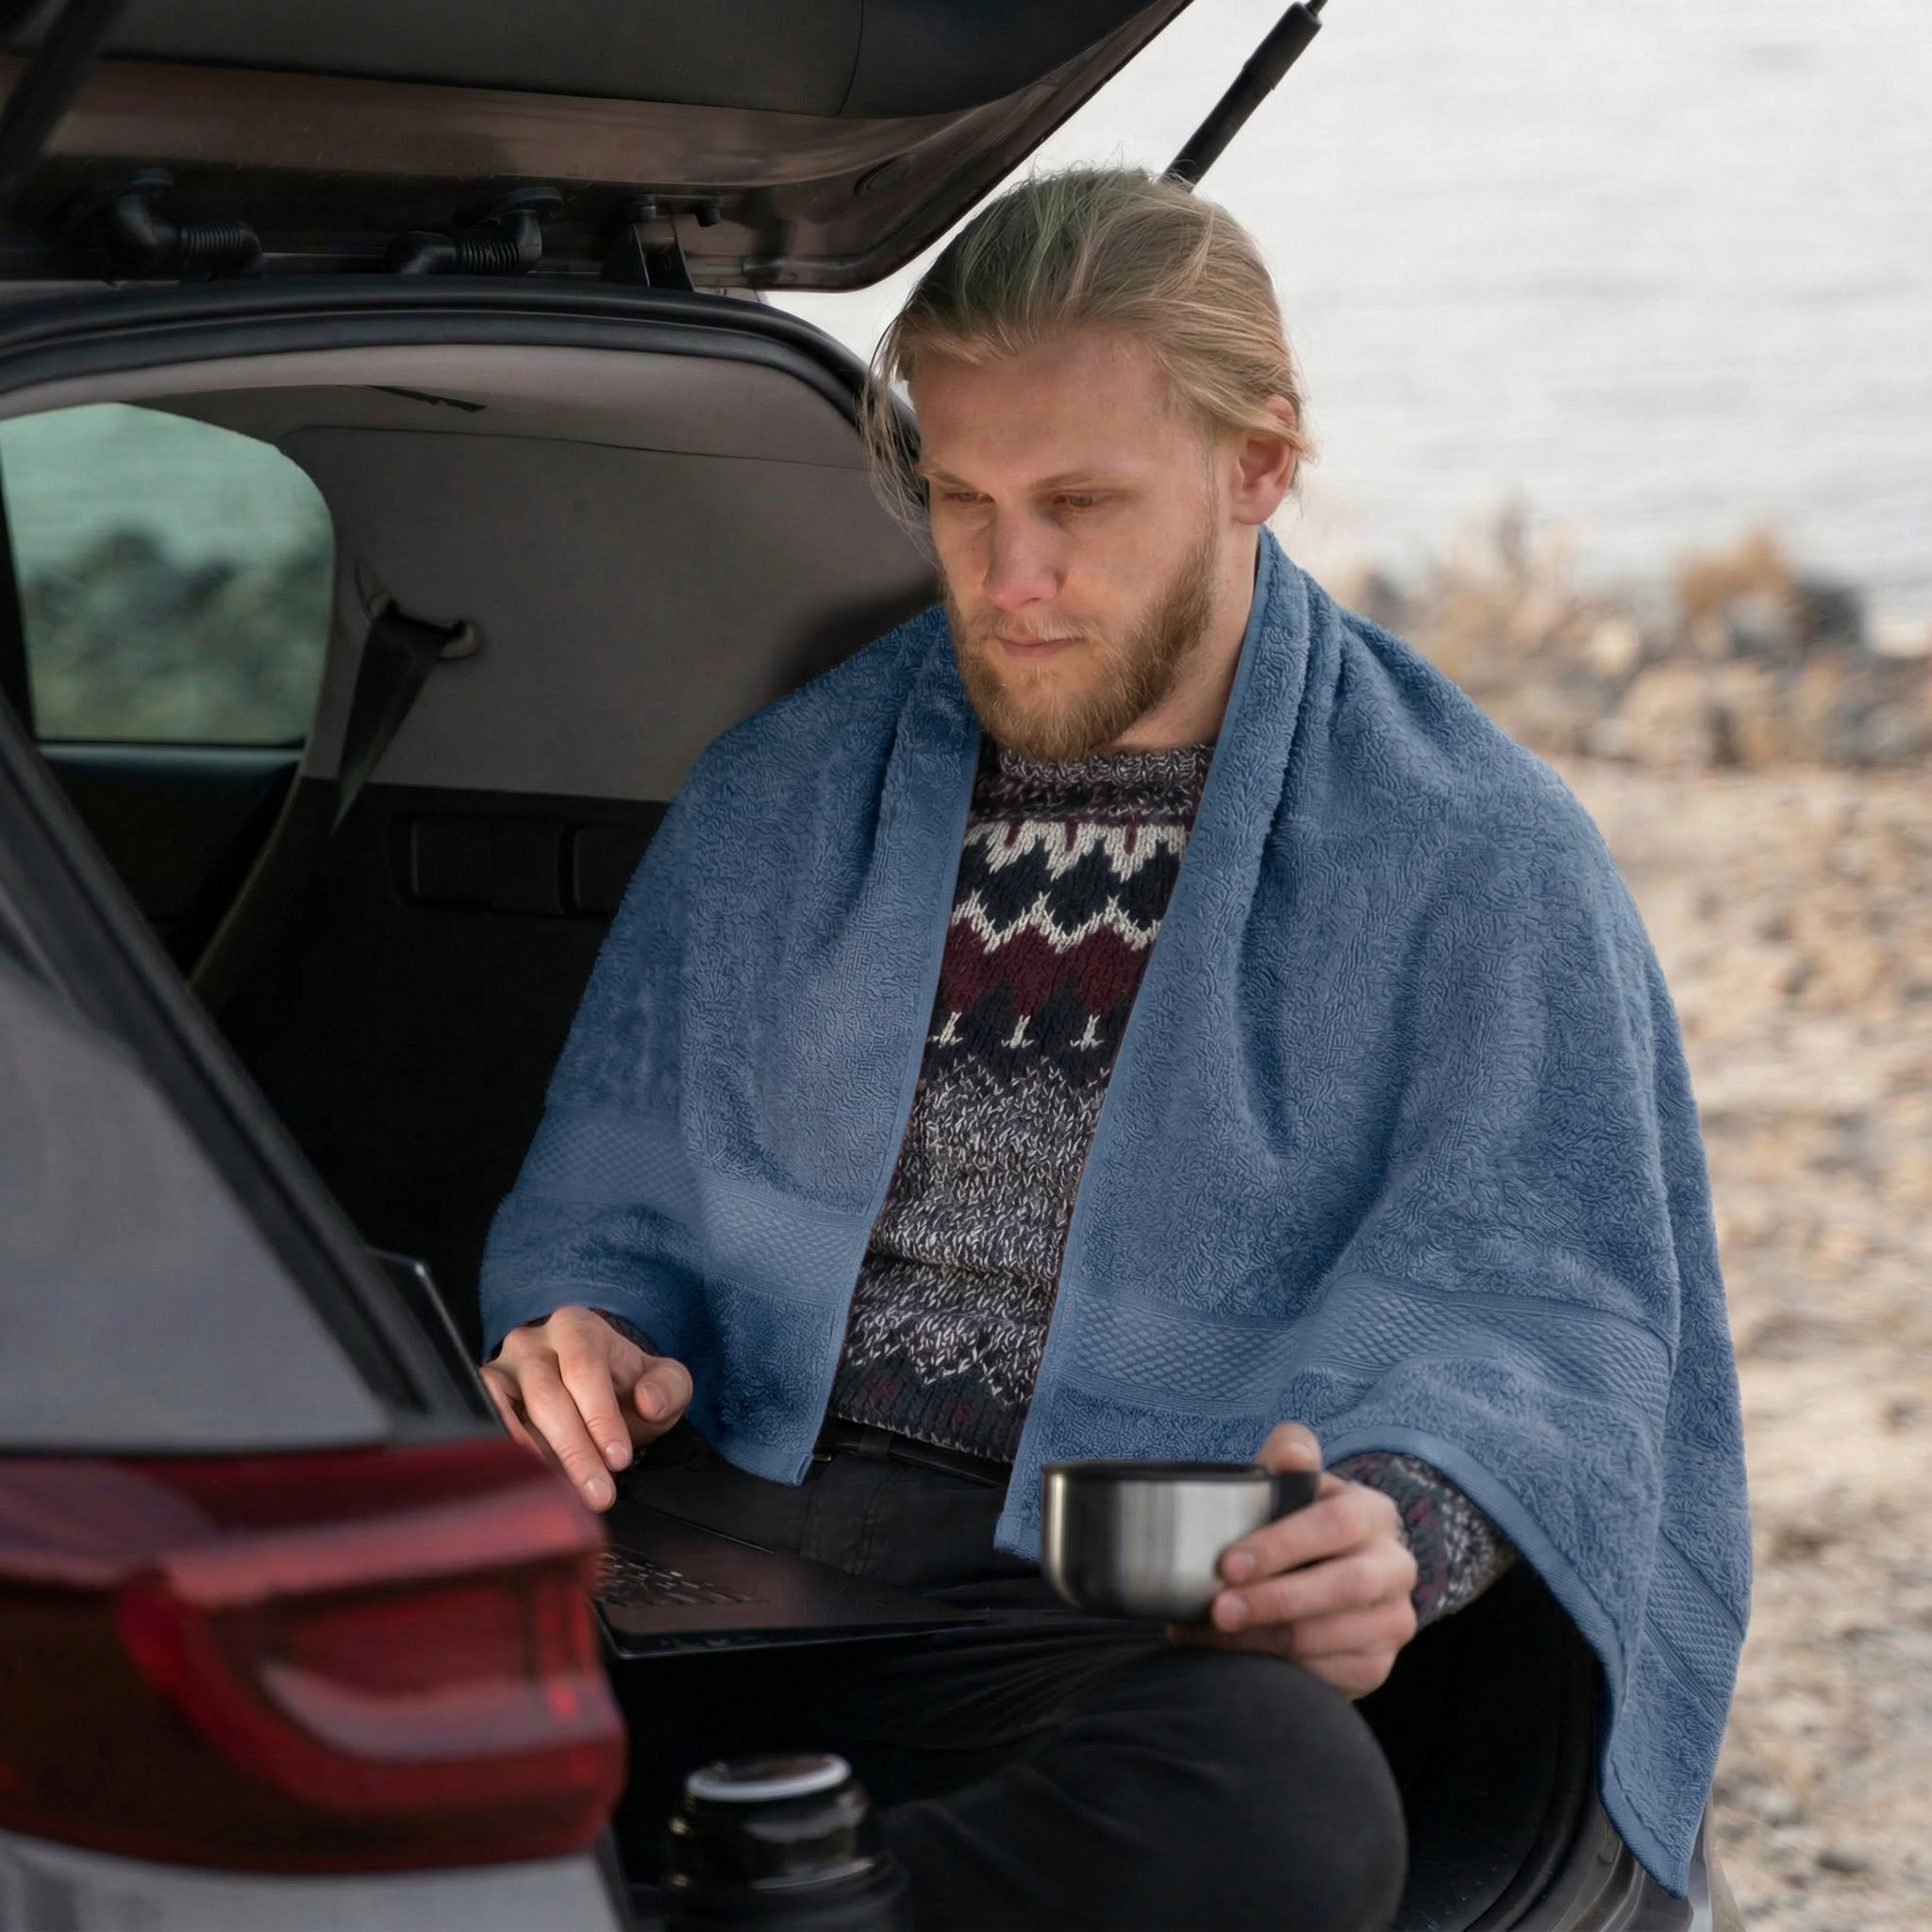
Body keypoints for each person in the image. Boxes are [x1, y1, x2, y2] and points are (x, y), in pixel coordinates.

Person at [478, 169, 1749, 1932]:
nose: (1011, 578)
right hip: (724, 1558)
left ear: (1258, 465)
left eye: (1078, 502)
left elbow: (1534, 1307)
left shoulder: (1475, 853)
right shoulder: (778, 794)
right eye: (961, 499)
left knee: (1280, 1796)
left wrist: (1395, 1531)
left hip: (1092, 1629)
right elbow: (611, 1202)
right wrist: (589, 1339)